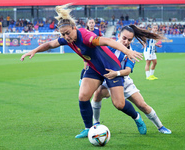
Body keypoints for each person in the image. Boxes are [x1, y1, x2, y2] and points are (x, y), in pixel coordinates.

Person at [20, 4, 143, 139]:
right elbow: (50, 44)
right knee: (83, 96)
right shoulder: (67, 39)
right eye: (63, 34)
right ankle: (88, 128)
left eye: (68, 33)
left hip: (110, 67)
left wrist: (127, 51)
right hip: (94, 69)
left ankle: (137, 117)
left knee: (119, 104)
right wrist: (35, 50)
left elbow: (107, 41)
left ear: (74, 28)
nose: (66, 36)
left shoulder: (86, 37)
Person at [91, 25, 171, 134]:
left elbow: (128, 71)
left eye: (129, 40)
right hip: (108, 78)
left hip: (124, 80)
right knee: (97, 94)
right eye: (124, 38)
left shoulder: (130, 53)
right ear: (118, 35)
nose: (126, 41)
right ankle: (96, 123)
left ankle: (160, 127)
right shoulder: (109, 45)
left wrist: (117, 73)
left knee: (142, 105)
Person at [79, 18, 103, 86]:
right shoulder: (85, 32)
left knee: (97, 66)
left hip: (96, 52)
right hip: (87, 52)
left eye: (92, 23)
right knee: (86, 67)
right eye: (90, 23)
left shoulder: (98, 31)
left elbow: (101, 40)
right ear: (87, 24)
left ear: (94, 23)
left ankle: (98, 81)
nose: (91, 24)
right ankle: (81, 81)